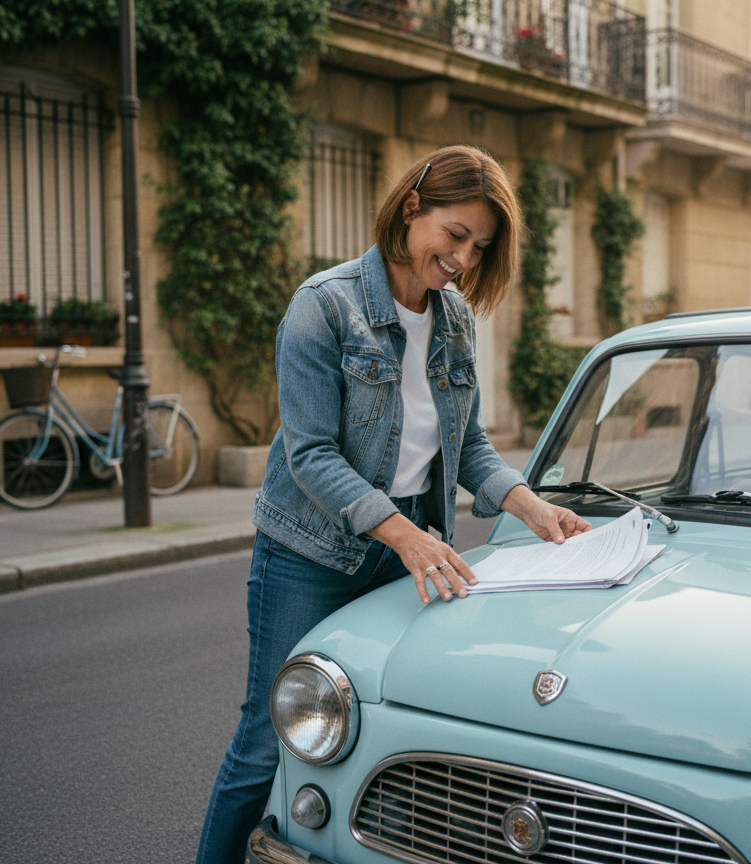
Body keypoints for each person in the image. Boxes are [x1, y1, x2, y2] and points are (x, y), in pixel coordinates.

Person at [195, 145, 591, 863]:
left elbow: (467, 446)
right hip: (309, 553)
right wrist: (407, 538)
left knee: (390, 739)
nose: (464, 257)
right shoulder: (324, 306)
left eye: (480, 246)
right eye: (455, 234)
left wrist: (531, 506)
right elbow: (310, 455)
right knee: (267, 744)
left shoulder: (455, 319)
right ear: (413, 208)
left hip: (403, 548)